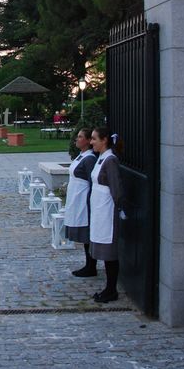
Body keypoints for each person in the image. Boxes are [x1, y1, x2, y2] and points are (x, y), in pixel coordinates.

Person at [88, 127, 126, 303]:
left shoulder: (110, 160)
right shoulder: (100, 158)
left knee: (110, 252)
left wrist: (119, 208)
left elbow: (116, 189)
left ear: (104, 140)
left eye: (94, 139)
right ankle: (108, 288)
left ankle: (111, 289)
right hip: (99, 210)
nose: (91, 142)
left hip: (106, 211)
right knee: (103, 249)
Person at [63, 128, 98, 277]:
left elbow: (92, 182)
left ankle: (91, 266)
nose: (76, 139)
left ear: (88, 141)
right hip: (76, 198)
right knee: (84, 234)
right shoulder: (81, 156)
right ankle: (88, 264)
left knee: (87, 233)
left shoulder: (89, 159)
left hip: (83, 200)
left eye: (80, 137)